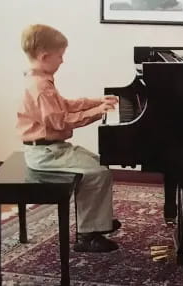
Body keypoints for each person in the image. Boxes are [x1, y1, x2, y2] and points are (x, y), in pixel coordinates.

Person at [16, 24, 121, 252]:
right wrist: (98, 111)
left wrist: (96, 101)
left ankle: (97, 219)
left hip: (52, 149)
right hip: (45, 154)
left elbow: (64, 106)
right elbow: (60, 121)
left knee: (97, 160)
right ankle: (88, 235)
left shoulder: (40, 80)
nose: (62, 61)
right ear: (45, 56)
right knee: (99, 173)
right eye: (60, 56)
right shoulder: (40, 87)